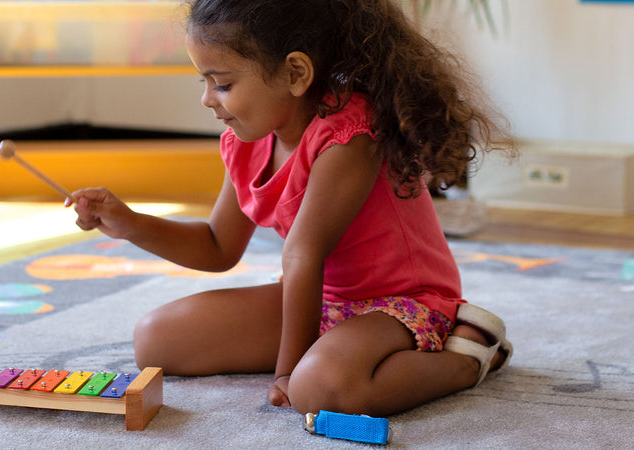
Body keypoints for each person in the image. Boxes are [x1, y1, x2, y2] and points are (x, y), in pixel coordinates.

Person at [67, 0, 514, 417]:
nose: (207, 98)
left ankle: (469, 357)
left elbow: (303, 252)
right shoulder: (247, 142)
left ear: (295, 73)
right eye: (203, 81)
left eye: (222, 83)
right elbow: (217, 246)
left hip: (403, 304)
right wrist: (129, 224)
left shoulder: (351, 134)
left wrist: (289, 371)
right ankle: (332, 351)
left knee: (316, 390)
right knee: (154, 340)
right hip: (321, 300)